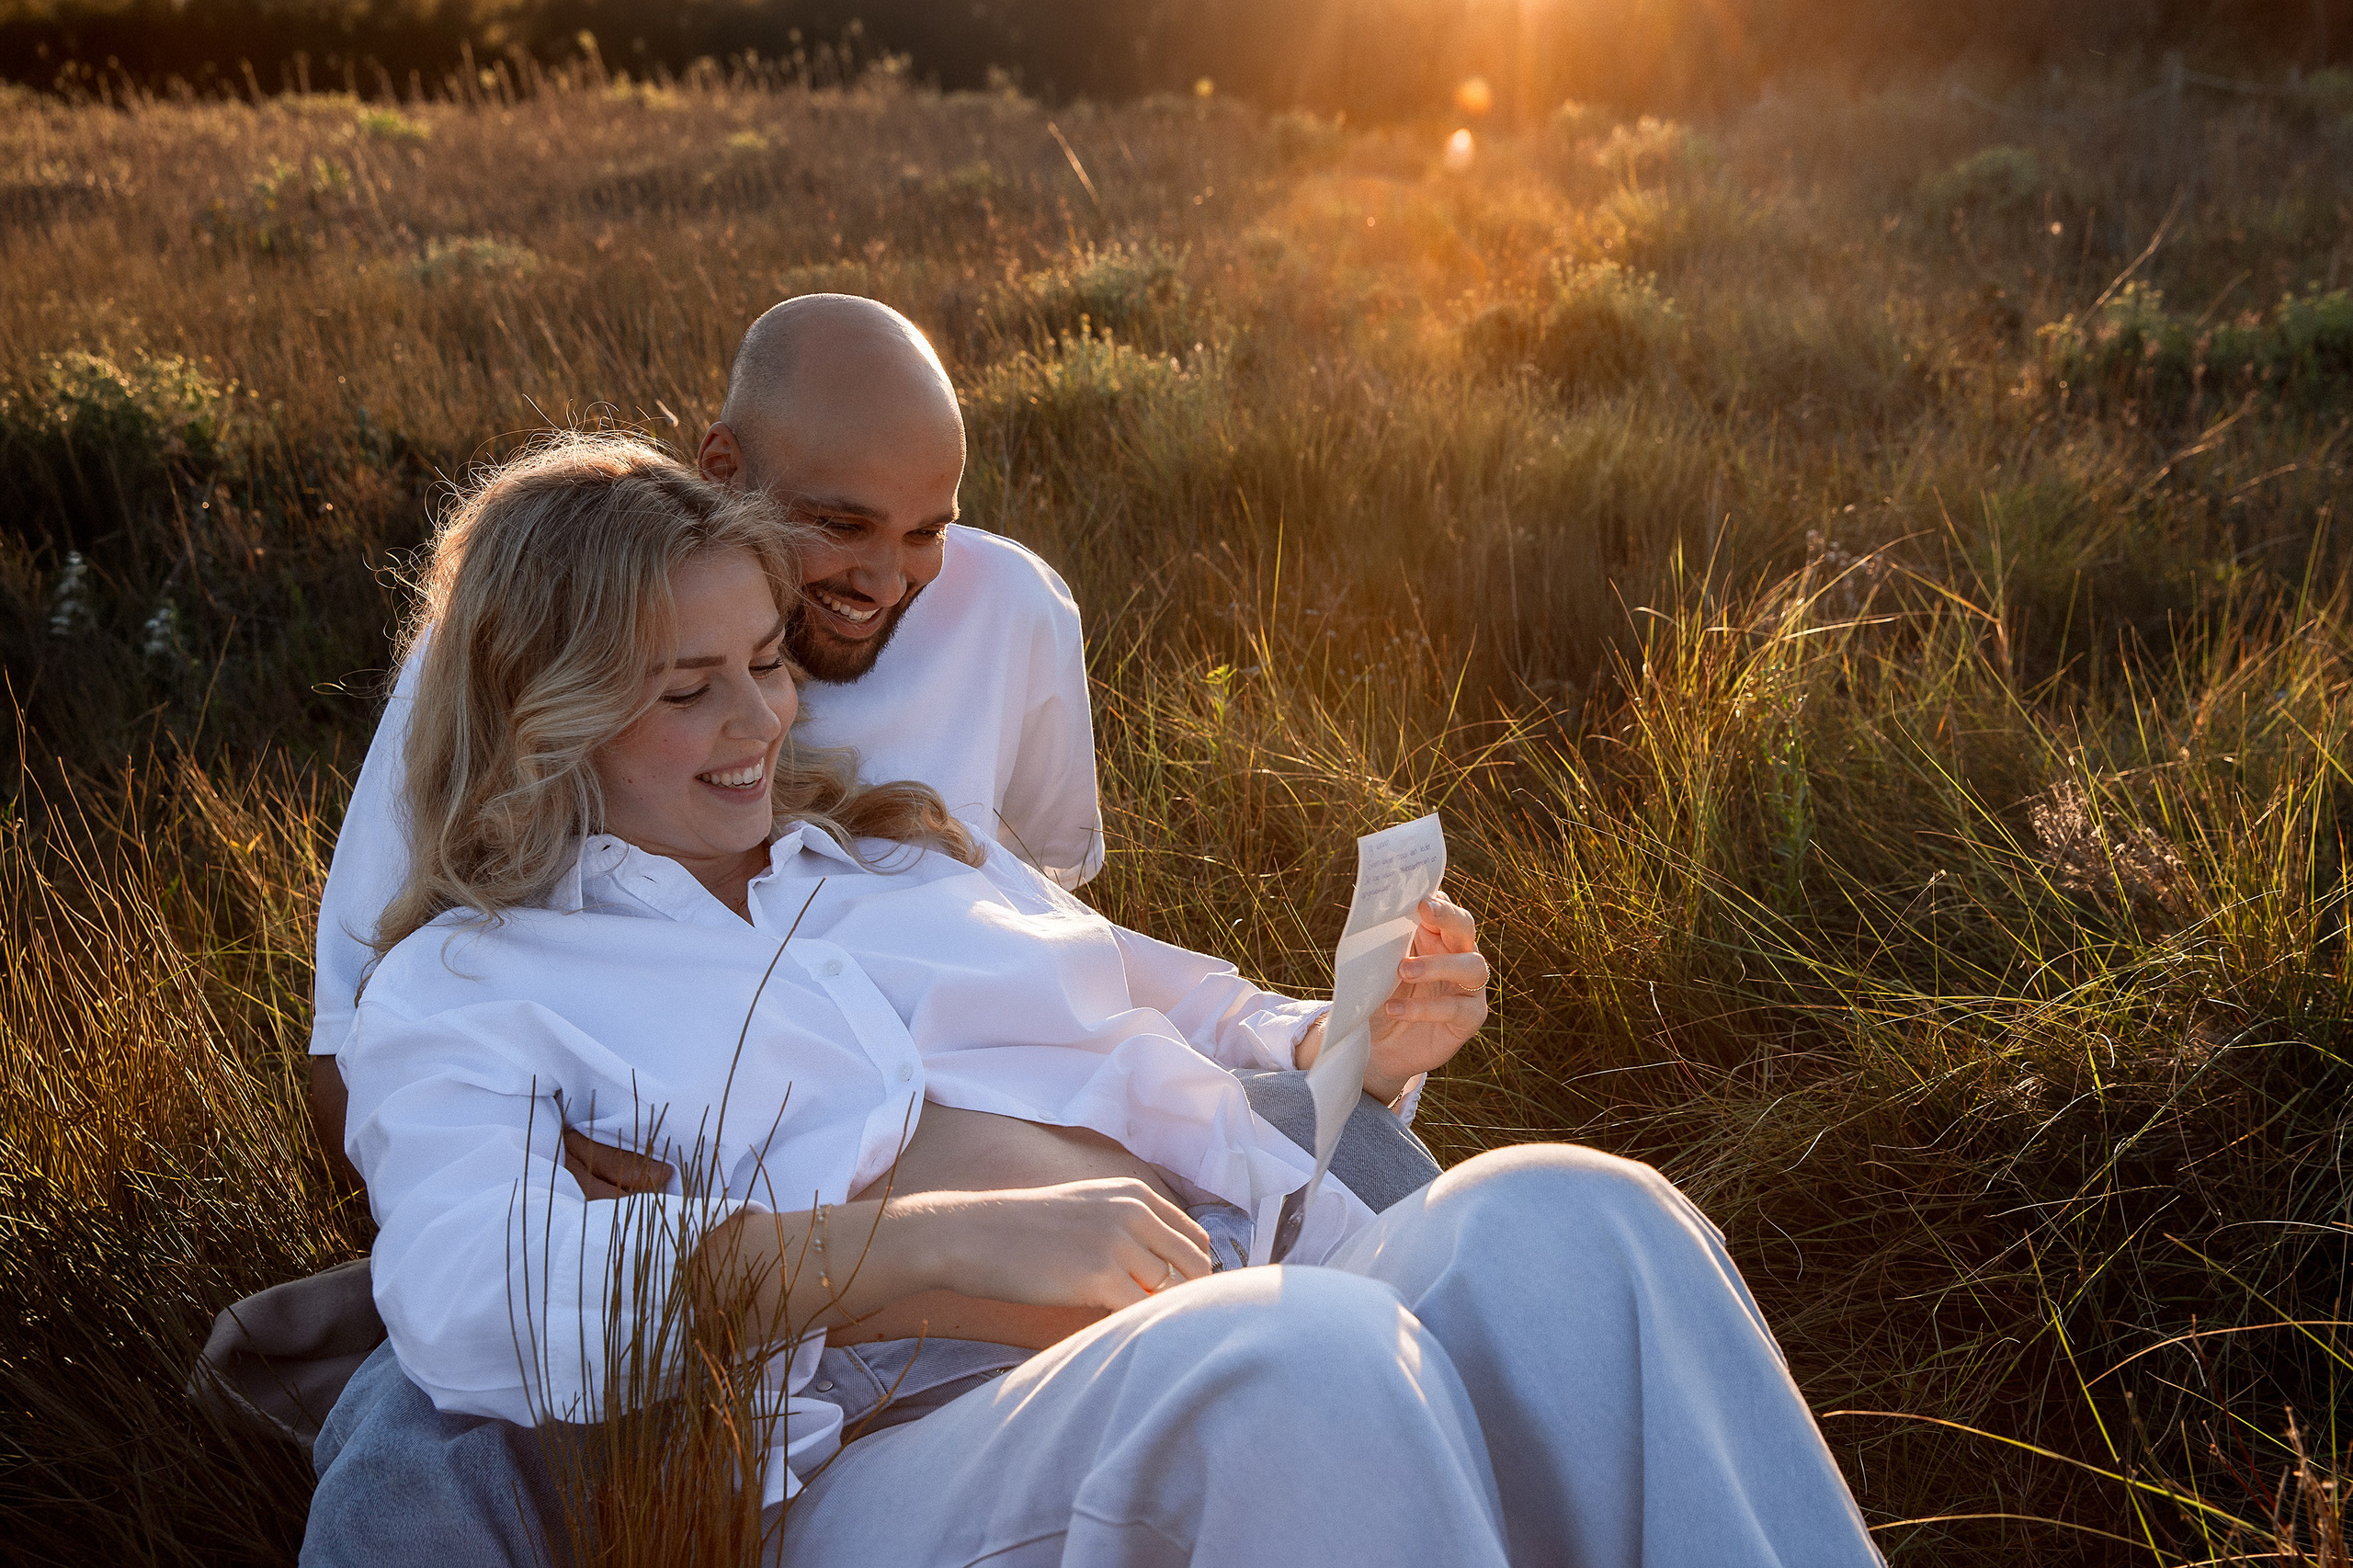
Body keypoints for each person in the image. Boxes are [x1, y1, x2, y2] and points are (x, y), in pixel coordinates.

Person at [308, 435, 1886, 1568]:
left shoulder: (896, 847)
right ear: (547, 710)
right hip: (892, 1452)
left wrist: (1344, 1034)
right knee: (1299, 1361)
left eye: (770, 659)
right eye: (686, 686)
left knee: (1579, 1220)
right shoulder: (474, 982)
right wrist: (913, 1253)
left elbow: (1174, 1003)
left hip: (1245, 1258)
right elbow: (469, 1293)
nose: (761, 717)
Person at [305, 294, 1103, 1182]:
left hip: (1009, 1157)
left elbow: (1047, 913)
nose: (884, 581)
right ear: (722, 469)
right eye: (841, 526)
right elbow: (348, 1051)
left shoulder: (1011, 610)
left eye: (926, 531)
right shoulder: (536, 649)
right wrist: (530, 1175)